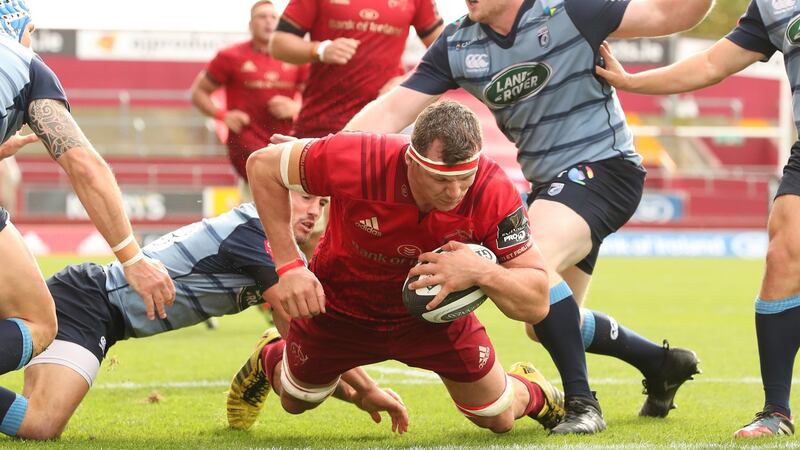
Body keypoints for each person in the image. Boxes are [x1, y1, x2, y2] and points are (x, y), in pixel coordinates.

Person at [343, 0, 715, 434]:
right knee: (544, 322)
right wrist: (326, 149)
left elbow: (674, 15)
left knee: (526, 267)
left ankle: (582, 403)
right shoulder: (459, 42)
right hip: (551, 185)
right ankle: (661, 362)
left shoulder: (572, 12)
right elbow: (392, 110)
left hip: (606, 168)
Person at [230, 100, 564, 436]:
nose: (454, 192)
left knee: (497, 417)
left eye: (465, 178)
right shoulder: (361, 157)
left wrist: (482, 271)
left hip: (431, 319)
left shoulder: (493, 189)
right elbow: (262, 165)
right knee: (298, 399)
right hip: (339, 308)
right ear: (410, 160)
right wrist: (289, 266)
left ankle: (534, 389)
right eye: (440, 179)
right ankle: (270, 352)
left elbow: (536, 304)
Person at [594, 2, 800, 437]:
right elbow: (711, 63)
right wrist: (633, 81)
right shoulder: (772, 5)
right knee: (783, 255)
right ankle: (776, 413)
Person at [2, 194, 361, 440]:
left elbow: (303, 339)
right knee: (42, 423)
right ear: (275, 190)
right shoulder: (256, 231)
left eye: (323, 202)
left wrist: (358, 389)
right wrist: (364, 392)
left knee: (38, 423)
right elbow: (302, 336)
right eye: (304, 197)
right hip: (87, 301)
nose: (314, 211)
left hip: (98, 315)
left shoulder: (273, 244)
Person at [0, 0, 175, 437]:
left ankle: (29, 422)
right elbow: (85, 167)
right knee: (40, 323)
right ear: (21, 26)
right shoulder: (26, 65)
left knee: (39, 426)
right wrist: (132, 258)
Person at [269, 0, 444, 138]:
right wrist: (319, 50)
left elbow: (446, 52)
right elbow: (278, 44)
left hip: (386, 124)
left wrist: (408, 80)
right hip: (322, 121)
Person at [190, 0, 307, 185]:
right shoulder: (230, 56)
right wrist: (223, 115)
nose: (268, 21)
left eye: (273, 17)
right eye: (262, 17)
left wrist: (295, 107)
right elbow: (198, 93)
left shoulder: (296, 56)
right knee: (263, 193)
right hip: (245, 143)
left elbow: (316, 98)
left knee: (290, 196)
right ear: (251, 25)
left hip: (284, 142)